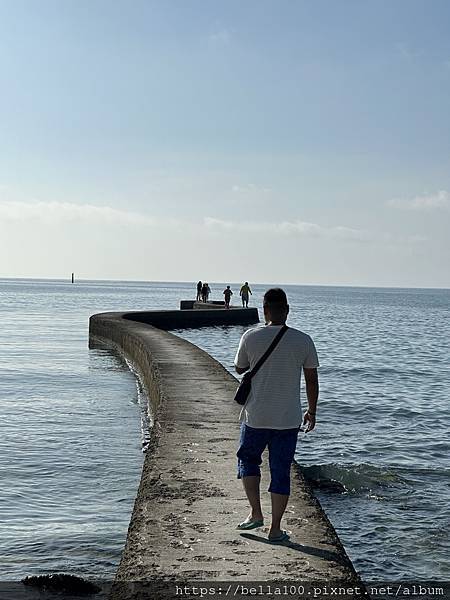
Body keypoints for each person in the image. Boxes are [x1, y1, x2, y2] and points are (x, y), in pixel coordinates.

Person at [233, 287, 319, 543]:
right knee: (280, 470)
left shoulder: (250, 336)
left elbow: (240, 368)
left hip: (256, 416)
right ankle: (275, 529)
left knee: (248, 460)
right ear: (288, 310)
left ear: (265, 309)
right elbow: (312, 380)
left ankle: (255, 513)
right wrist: (312, 410)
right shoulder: (303, 340)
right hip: (288, 419)